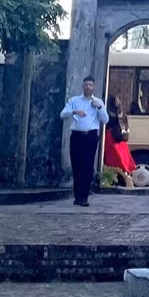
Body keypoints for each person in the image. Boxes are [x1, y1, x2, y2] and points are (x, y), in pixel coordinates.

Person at [60, 76, 108, 206]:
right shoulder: (74, 101)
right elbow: (62, 114)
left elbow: (105, 119)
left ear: (94, 87)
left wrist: (99, 108)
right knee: (77, 166)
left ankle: (85, 196)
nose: (88, 87)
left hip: (90, 136)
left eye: (90, 85)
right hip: (76, 136)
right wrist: (74, 111)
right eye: (86, 84)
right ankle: (77, 196)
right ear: (83, 86)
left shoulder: (98, 102)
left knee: (87, 166)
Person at [104, 110, 138, 181]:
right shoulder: (121, 106)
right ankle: (125, 177)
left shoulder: (111, 106)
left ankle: (123, 177)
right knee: (121, 159)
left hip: (113, 135)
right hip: (120, 135)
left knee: (113, 160)